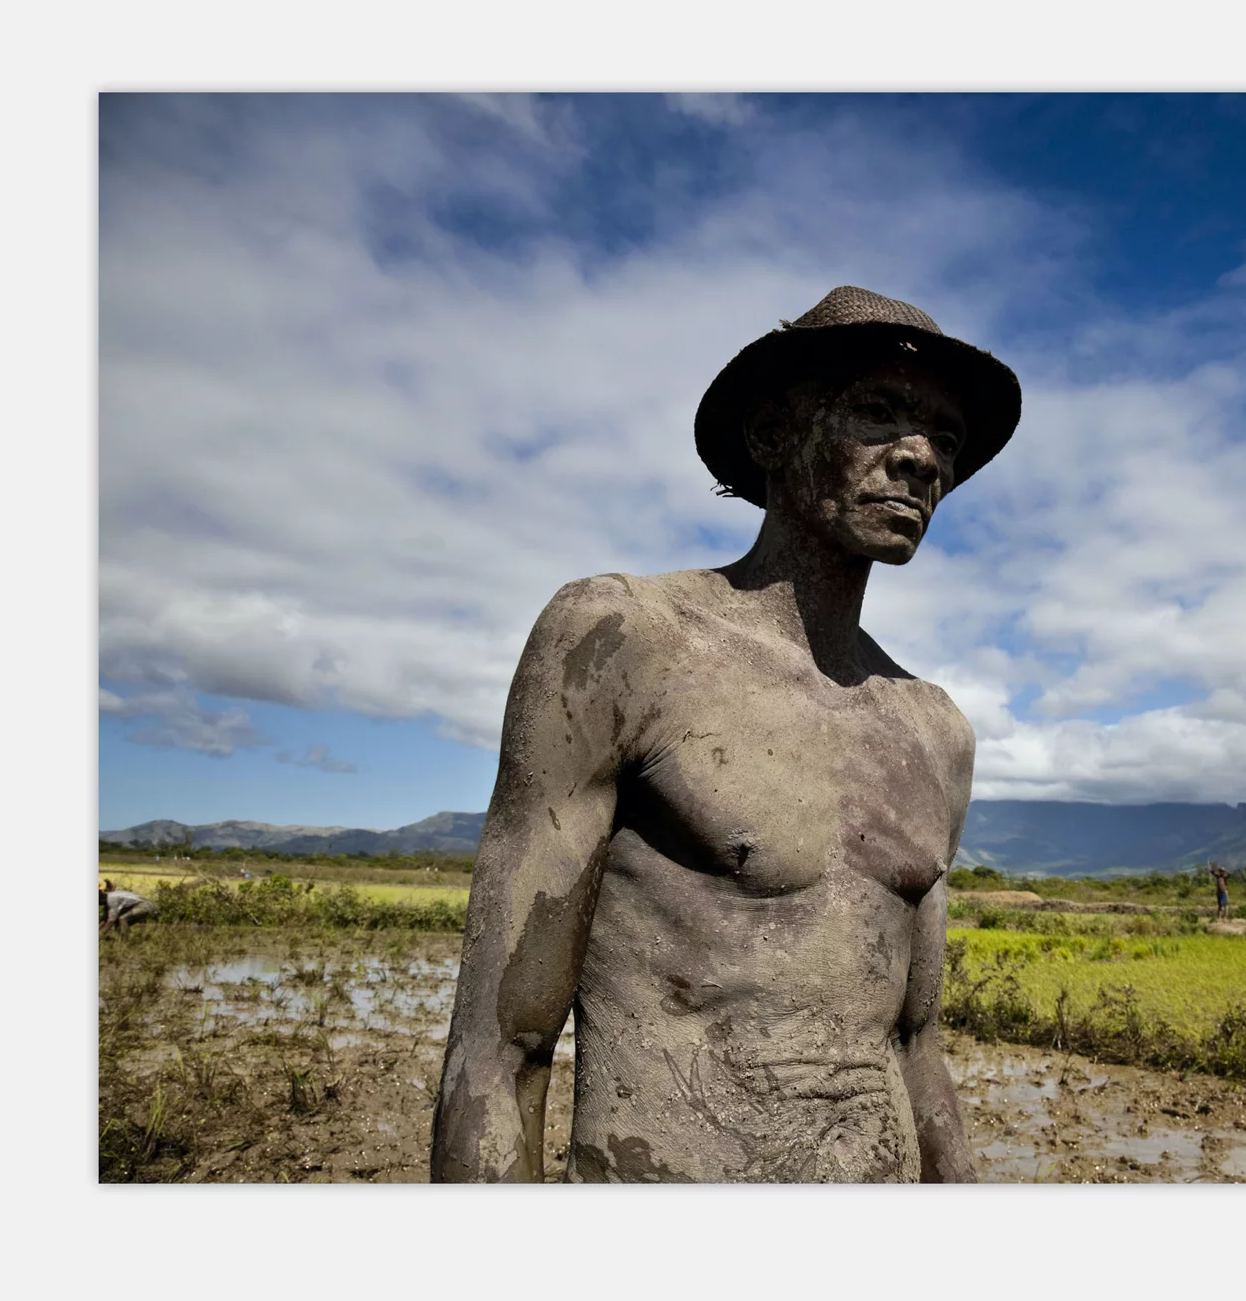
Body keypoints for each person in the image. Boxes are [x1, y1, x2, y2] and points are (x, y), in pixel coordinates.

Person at [432, 287, 1021, 1183]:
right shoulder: (624, 638)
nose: (921, 458)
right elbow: (501, 1046)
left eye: (944, 437)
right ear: (774, 436)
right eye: (877, 414)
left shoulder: (935, 732)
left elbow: (917, 1049)